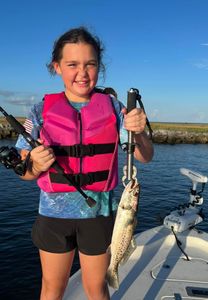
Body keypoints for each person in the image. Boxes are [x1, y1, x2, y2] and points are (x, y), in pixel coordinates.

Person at [16, 26, 154, 300]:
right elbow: (25, 172)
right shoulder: (39, 111)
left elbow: (145, 157)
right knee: (51, 288)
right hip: (53, 217)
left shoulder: (115, 109)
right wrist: (34, 163)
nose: (82, 73)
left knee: (97, 288)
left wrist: (138, 131)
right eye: (72, 65)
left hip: (99, 217)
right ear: (57, 67)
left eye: (90, 64)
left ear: (99, 67)